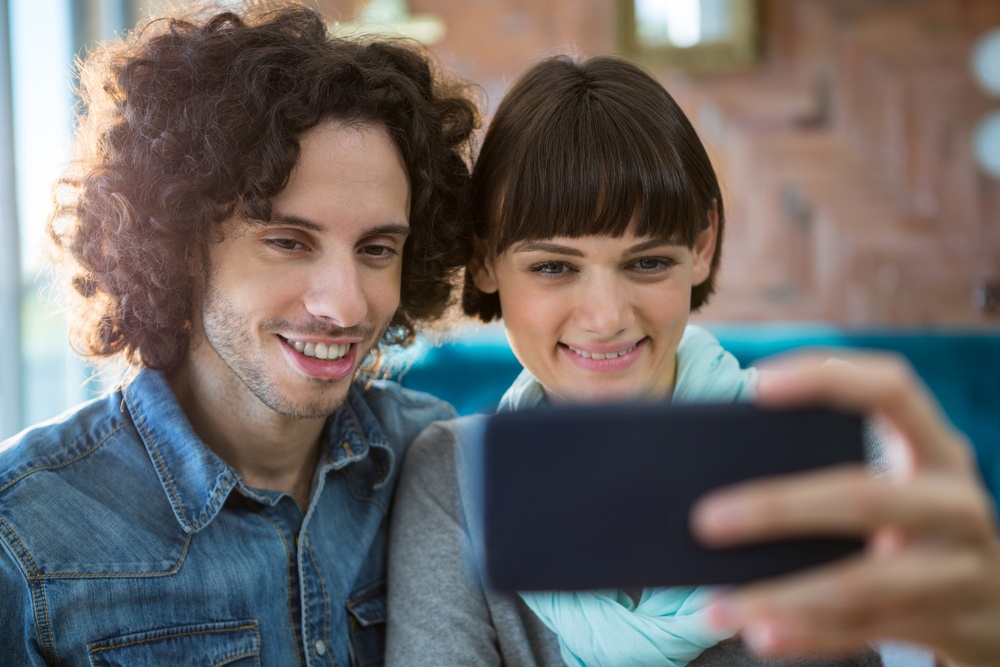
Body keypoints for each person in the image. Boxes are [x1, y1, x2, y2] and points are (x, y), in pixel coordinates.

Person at [385, 54, 1000, 667]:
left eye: (648, 262)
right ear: (486, 259)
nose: (606, 318)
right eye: (553, 267)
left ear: (701, 245)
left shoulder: (823, 445)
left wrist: (977, 640)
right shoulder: (455, 479)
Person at [0, 2, 477, 665]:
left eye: (376, 249)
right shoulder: (22, 536)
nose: (342, 307)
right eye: (288, 241)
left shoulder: (433, 459)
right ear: (179, 247)